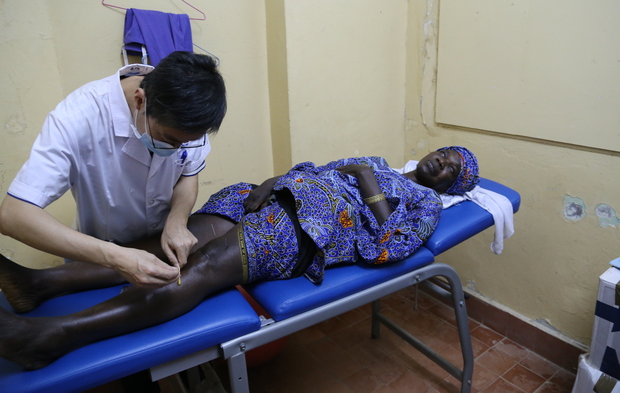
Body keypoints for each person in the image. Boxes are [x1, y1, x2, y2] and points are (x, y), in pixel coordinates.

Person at [0, 146, 479, 370]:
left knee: (204, 268)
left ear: (449, 186)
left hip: (311, 229)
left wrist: (363, 180)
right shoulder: (377, 159)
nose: (443, 162)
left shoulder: (426, 206)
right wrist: (274, 181)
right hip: (274, 196)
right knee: (170, 242)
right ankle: (41, 286)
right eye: (446, 154)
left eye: (453, 169)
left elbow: (386, 248)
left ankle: (51, 337)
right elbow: (319, 168)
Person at [0, 51, 227, 288]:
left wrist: (177, 220)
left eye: (186, 143)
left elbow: (188, 173)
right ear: (140, 101)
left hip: (161, 249)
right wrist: (115, 256)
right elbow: (13, 215)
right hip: (99, 260)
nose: (177, 148)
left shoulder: (189, 117)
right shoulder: (78, 117)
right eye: (169, 139)